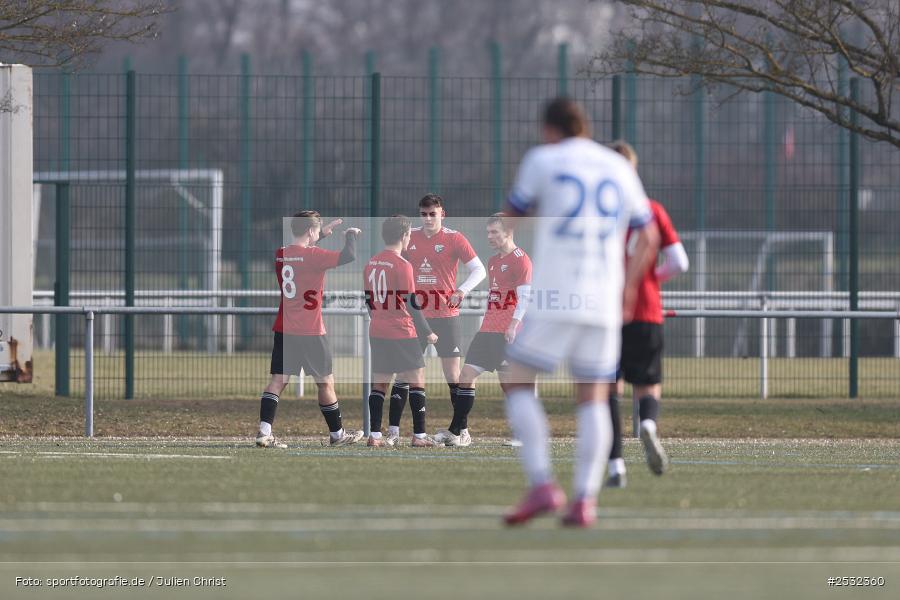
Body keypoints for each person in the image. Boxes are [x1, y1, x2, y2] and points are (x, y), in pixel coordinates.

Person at [501, 98, 660, 528]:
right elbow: (649, 234)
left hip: (557, 293)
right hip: (604, 299)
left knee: (516, 380)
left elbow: (509, 218)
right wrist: (628, 286)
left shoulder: (543, 159)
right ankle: (585, 500)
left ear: (550, 129)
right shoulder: (618, 167)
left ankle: (542, 483)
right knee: (593, 396)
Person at [605, 141, 689, 488]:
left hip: (607, 316)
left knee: (608, 389)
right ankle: (648, 425)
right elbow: (680, 262)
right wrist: (648, 278)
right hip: (648, 312)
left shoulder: (597, 214)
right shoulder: (653, 210)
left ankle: (615, 468)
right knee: (648, 385)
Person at [255, 211, 364, 449]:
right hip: (311, 330)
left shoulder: (281, 254)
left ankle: (264, 432)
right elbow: (349, 255)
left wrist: (321, 234)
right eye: (316, 230)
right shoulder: (314, 255)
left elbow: (301, 253)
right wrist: (351, 235)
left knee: (278, 381)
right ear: (309, 232)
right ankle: (337, 434)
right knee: (325, 383)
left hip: (285, 328)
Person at [388, 194, 486, 446]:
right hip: (416, 317)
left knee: (453, 376)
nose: (428, 218)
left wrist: (461, 290)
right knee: (403, 374)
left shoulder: (454, 238)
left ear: (443, 213)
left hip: (446, 317)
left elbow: (479, 269)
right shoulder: (411, 238)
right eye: (424, 214)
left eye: (433, 214)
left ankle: (461, 431)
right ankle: (393, 433)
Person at [433, 213, 532, 447]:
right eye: (488, 232)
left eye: (494, 232)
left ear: (508, 232)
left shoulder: (521, 260)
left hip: (508, 333)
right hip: (488, 330)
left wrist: (513, 325)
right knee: (465, 376)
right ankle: (457, 433)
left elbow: (526, 298)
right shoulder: (493, 261)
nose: (489, 236)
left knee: (511, 386)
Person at [364, 216, 440, 447]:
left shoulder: (371, 263)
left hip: (377, 329)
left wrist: (378, 317)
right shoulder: (402, 264)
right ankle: (419, 437)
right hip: (401, 330)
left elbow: (369, 300)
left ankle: (375, 436)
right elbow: (411, 302)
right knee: (417, 380)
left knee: (379, 384)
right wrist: (427, 331)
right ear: (404, 236)